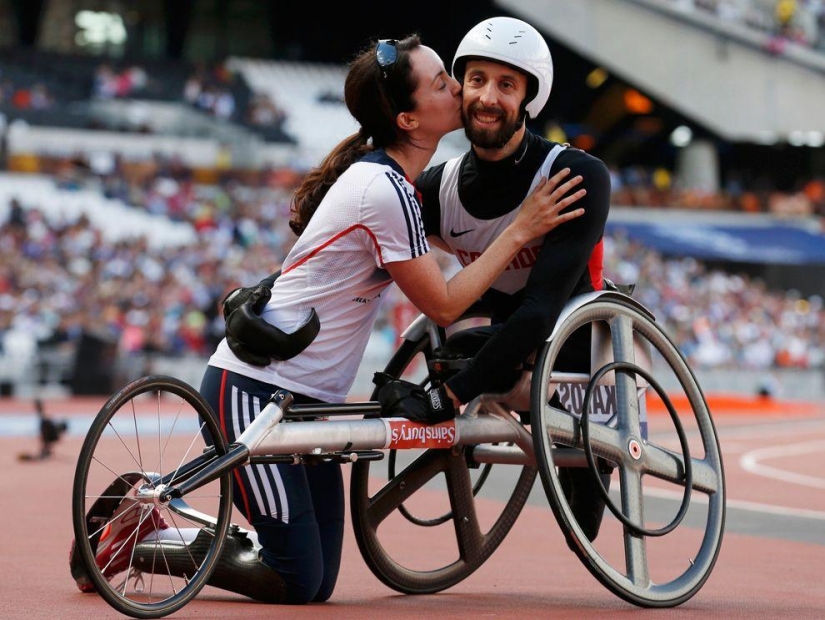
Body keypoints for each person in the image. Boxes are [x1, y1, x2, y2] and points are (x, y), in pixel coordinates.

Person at [70, 34, 587, 604]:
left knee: (315, 582)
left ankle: (179, 519)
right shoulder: (383, 190)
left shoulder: (395, 185)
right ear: (410, 119)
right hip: (255, 392)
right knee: (295, 579)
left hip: (307, 402)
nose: (462, 92)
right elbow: (443, 305)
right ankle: (138, 533)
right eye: (445, 81)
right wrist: (522, 228)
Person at [380, 16, 614, 543]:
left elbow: (540, 310)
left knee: (462, 359)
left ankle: (587, 453)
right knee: (449, 347)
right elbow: (380, 251)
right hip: (506, 338)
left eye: (507, 85)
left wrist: (450, 397)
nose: (488, 97)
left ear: (529, 99)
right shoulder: (438, 186)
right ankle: (514, 396)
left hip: (572, 345)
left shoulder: (573, 176)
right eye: (478, 80)